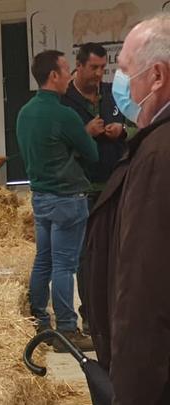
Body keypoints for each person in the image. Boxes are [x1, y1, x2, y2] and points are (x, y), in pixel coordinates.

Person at [85, 13, 170, 405]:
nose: (120, 83)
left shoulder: (157, 154)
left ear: (157, 76)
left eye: (124, 70)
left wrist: (133, 401)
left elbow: (143, 284)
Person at [16, 50, 99, 352]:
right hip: (67, 198)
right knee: (65, 265)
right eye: (66, 69)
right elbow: (92, 153)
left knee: (44, 259)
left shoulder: (25, 113)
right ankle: (67, 330)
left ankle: (39, 320)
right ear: (53, 75)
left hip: (40, 197)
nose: (70, 75)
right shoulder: (65, 114)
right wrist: (85, 135)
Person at [62, 42, 132, 332]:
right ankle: (90, 314)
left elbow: (136, 125)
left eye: (104, 68)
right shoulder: (64, 101)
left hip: (115, 185)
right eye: (94, 68)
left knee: (117, 252)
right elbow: (58, 146)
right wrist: (85, 133)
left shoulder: (114, 95)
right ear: (78, 65)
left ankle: (115, 313)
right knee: (85, 256)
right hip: (82, 188)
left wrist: (123, 131)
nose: (99, 74)